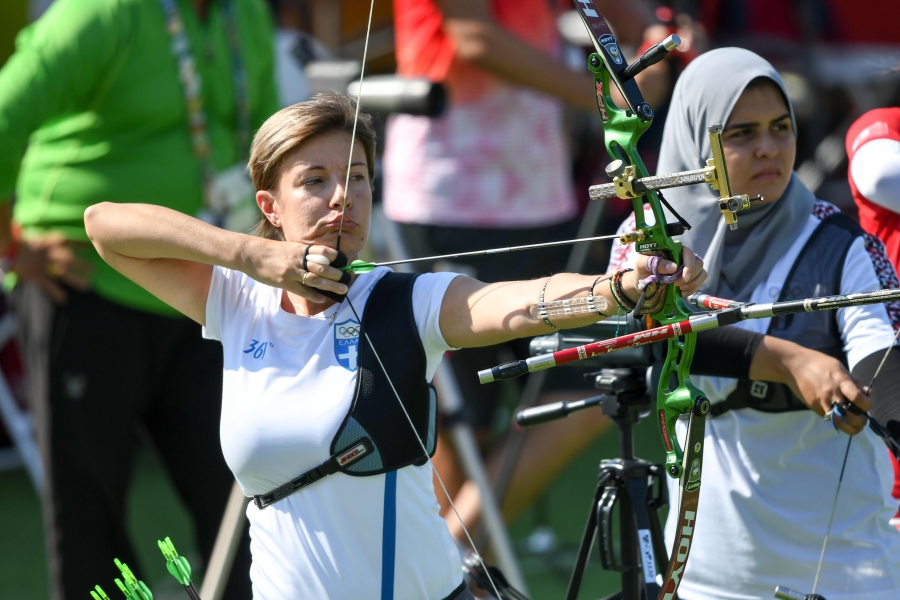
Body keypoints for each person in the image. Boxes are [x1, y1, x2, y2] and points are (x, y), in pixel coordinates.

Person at [83, 93, 707, 598]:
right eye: (315, 180)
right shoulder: (235, 301)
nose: (341, 197)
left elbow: (517, 302)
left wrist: (619, 290)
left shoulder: (406, 302)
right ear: (269, 206)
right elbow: (104, 226)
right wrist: (251, 256)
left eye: (357, 177)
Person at [0, 0, 279, 596]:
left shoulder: (247, 12)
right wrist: (10, 247)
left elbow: (267, 143)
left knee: (244, 490)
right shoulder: (99, 14)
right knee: (88, 510)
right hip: (86, 289)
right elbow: (4, 115)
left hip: (206, 294)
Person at [608, 48, 900, 599]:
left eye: (781, 127)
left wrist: (881, 398)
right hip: (702, 579)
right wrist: (790, 360)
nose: (768, 147)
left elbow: (881, 369)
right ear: (697, 140)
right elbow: (651, 327)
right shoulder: (645, 240)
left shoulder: (844, 249)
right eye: (741, 133)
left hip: (846, 576)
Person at [383, 0, 654, 538]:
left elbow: (619, 15)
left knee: (603, 378)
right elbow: (473, 38)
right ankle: (443, 565)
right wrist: (607, 94)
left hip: (543, 201)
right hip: (448, 203)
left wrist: (652, 29)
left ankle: (459, 550)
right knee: (460, 431)